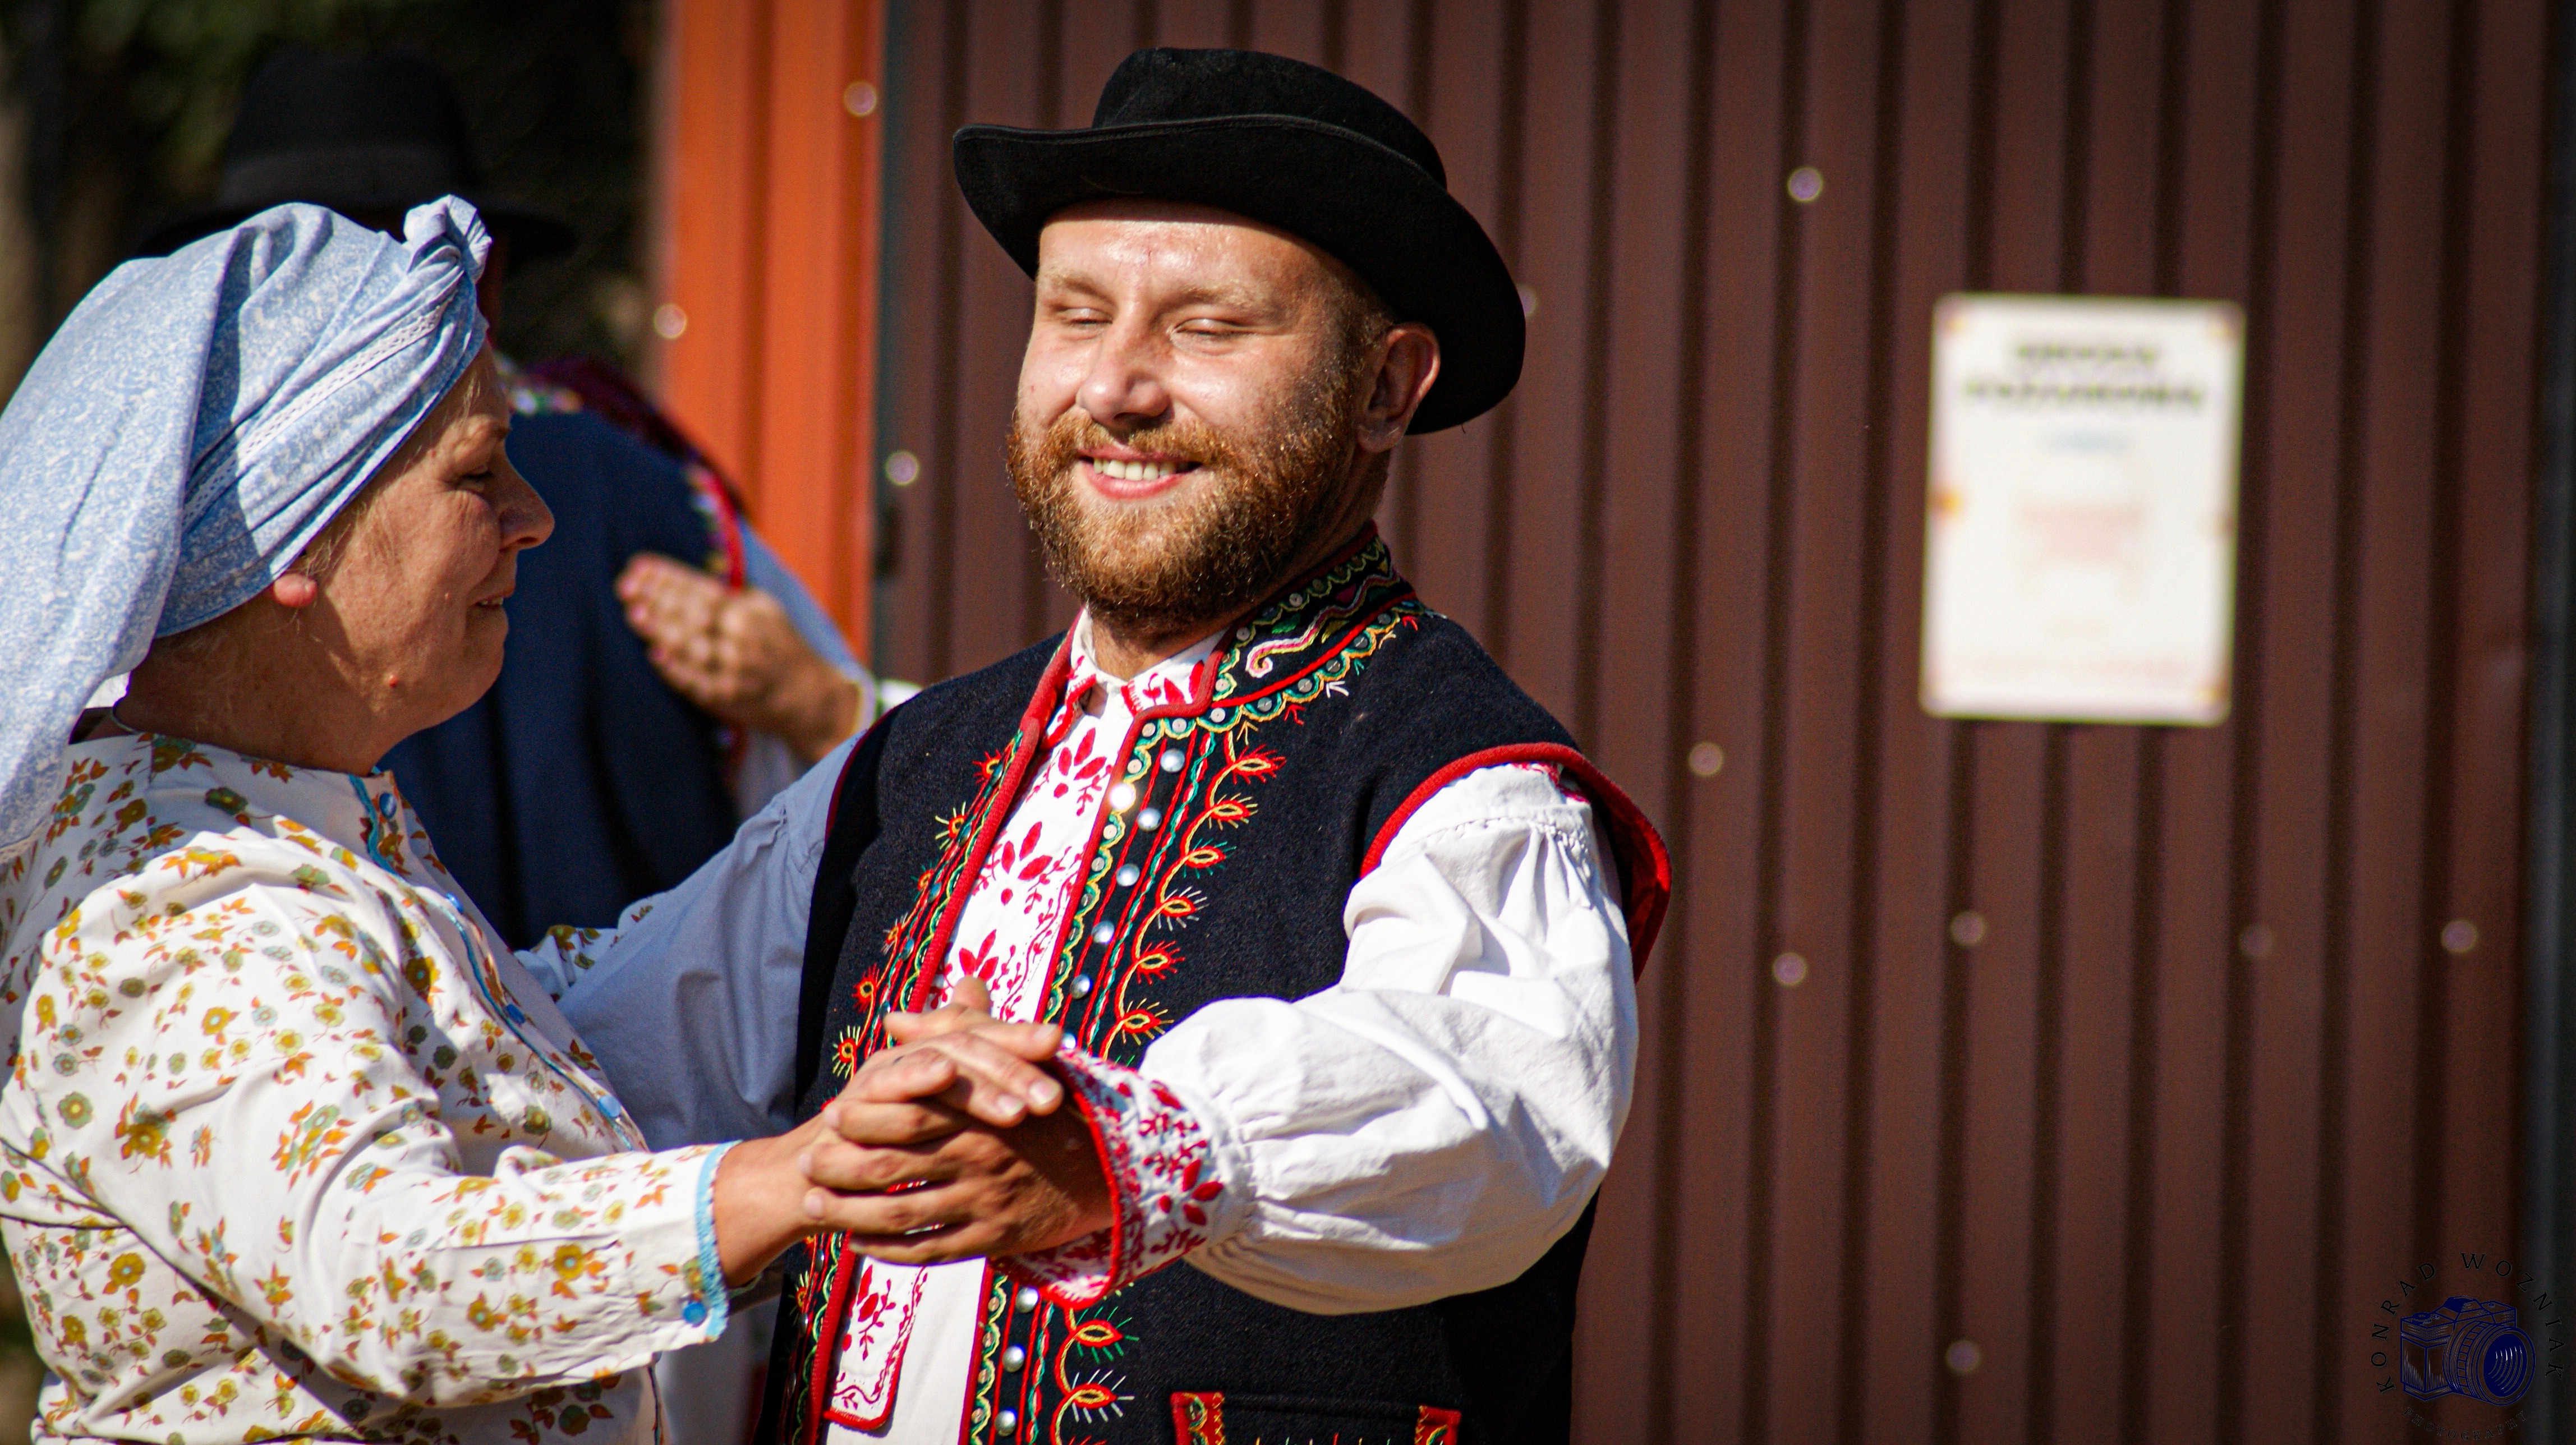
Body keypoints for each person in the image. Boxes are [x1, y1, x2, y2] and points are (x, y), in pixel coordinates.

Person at [548, 48, 1672, 1443]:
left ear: (1385, 388)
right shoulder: (902, 768)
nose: (1116, 387)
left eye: (1206, 328)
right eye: (1075, 314)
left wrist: (1132, 1157)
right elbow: (601, 1061)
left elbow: (1484, 1104)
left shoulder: (1468, 787)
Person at [0, 199, 958, 1444]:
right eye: (476, 473)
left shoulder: (267, 832)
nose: (534, 515)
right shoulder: (190, 906)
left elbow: (491, 1051)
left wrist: (863, 802)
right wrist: (788, 1182)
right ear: (296, 536)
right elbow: (386, 1270)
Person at [136, 47, 881, 950]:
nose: (531, 521)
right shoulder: (651, 491)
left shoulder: (146, 543)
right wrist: (819, 708)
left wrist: (813, 702)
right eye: (474, 476)